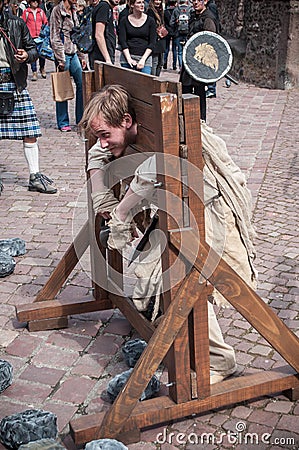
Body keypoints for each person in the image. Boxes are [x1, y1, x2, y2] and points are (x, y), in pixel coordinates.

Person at [79, 84, 258, 384]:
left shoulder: (169, 129)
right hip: (178, 205)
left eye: (105, 134)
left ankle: (218, 359)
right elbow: (97, 155)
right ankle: (175, 332)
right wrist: (105, 201)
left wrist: (122, 212)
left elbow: (156, 164)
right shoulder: (119, 134)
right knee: (164, 268)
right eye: (99, 136)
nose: (102, 143)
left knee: (189, 275)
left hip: (209, 204)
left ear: (126, 120)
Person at [0, 0, 57, 193]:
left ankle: (34, 176)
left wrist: (27, 55)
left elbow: (33, 49)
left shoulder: (16, 23)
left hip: (14, 82)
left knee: (30, 131)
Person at [50, 0, 86, 132]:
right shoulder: (57, 11)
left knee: (82, 83)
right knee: (62, 87)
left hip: (74, 52)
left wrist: (81, 56)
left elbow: (77, 34)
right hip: (63, 54)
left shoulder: (74, 10)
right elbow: (54, 36)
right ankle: (63, 121)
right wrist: (61, 59)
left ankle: (80, 118)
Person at [180, 0, 217, 122]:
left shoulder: (208, 19)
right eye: (193, 0)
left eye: (198, 0)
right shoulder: (194, 16)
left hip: (199, 64)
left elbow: (209, 41)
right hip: (189, 62)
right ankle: (187, 121)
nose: (195, 2)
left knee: (199, 93)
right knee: (185, 90)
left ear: (205, 1)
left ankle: (201, 123)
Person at [118, 0, 156, 74]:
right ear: (132, 5)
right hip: (128, 56)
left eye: (143, 2)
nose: (142, 5)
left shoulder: (150, 21)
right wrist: (129, 59)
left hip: (145, 56)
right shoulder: (124, 20)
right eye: (139, 3)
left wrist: (143, 60)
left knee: (145, 82)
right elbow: (122, 41)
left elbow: (152, 42)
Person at [88, 0, 119, 70]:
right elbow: (98, 35)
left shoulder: (107, 8)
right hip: (101, 58)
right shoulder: (104, 7)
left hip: (104, 56)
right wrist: (107, 59)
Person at [22, 0, 48, 81]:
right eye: (33, 1)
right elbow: (23, 24)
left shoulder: (41, 12)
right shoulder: (26, 12)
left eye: (37, 1)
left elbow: (46, 22)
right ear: (30, 2)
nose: (35, 2)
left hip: (41, 37)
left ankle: (42, 68)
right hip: (31, 37)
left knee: (42, 54)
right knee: (33, 55)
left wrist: (44, 32)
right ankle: (34, 72)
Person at [169, 0, 191, 70]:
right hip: (188, 33)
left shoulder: (176, 10)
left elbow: (171, 23)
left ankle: (181, 67)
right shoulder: (191, 9)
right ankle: (187, 68)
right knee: (188, 50)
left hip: (178, 33)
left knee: (180, 51)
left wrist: (176, 22)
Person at [146, 0, 166, 76]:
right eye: (156, 0)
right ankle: (154, 80)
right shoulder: (150, 11)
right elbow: (151, 26)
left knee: (160, 63)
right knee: (155, 62)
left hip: (161, 39)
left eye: (159, 0)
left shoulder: (160, 11)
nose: (158, 2)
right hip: (155, 39)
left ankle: (157, 77)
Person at [163, 0, 178, 71]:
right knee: (174, 49)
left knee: (166, 49)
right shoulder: (176, 11)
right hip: (175, 31)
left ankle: (164, 63)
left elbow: (165, 22)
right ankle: (174, 65)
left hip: (167, 31)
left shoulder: (165, 12)